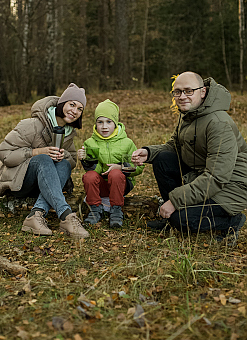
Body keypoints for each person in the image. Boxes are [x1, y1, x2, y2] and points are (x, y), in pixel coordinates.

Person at [132, 71, 247, 245]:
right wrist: (149, 153)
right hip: (203, 174)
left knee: (183, 220)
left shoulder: (218, 123)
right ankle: (169, 216)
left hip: (231, 186)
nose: (182, 96)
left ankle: (232, 221)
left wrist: (175, 200)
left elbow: (216, 178)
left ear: (203, 92)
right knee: (162, 159)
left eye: (188, 91)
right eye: (177, 92)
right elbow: (174, 146)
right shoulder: (189, 114)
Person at [0, 83, 89, 239]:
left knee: (63, 163)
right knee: (44, 159)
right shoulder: (31, 125)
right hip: (18, 181)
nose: (75, 111)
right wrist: (37, 152)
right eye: (72, 104)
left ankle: (36, 214)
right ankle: (66, 215)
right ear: (62, 103)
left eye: (80, 109)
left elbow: (71, 163)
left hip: (45, 184)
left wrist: (62, 155)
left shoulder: (68, 133)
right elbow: (3, 153)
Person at [77, 99, 144, 228]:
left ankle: (116, 210)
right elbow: (94, 172)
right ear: (95, 124)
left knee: (115, 173)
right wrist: (85, 159)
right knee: (89, 176)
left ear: (116, 123)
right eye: (100, 122)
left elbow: (138, 168)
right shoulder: (90, 143)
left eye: (109, 122)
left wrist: (120, 167)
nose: (104, 126)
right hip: (101, 186)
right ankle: (95, 209)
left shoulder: (127, 143)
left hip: (121, 184)